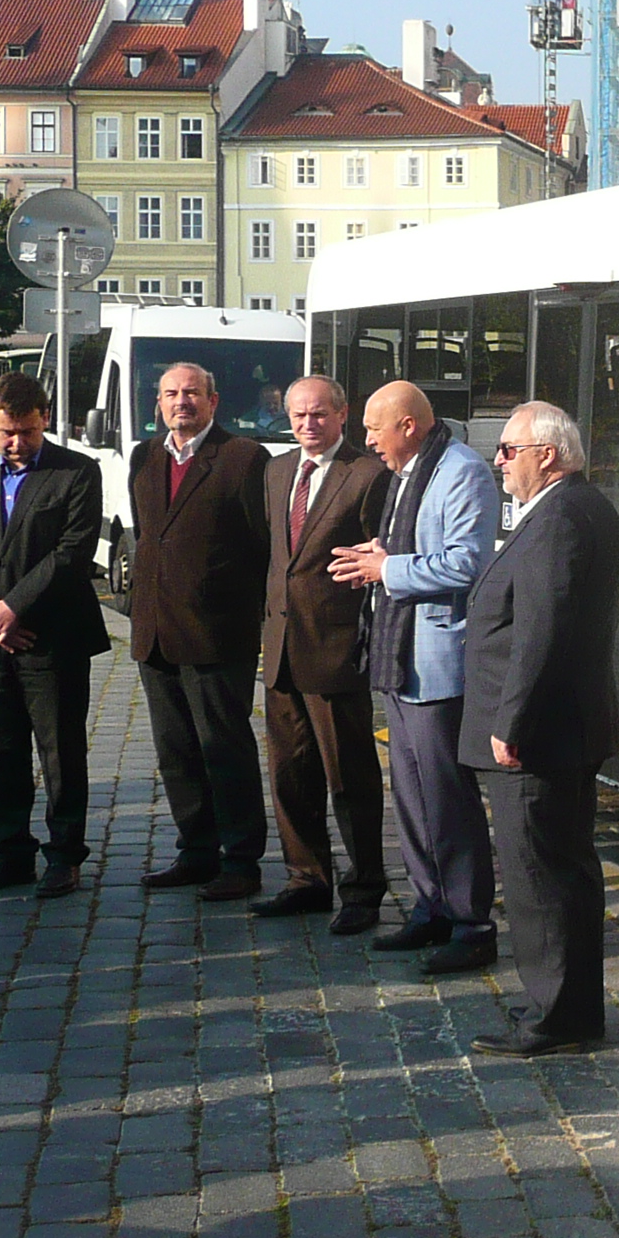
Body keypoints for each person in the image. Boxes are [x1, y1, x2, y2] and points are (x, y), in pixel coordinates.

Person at [459, 402, 619, 1057]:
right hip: (561, 729)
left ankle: (556, 1015)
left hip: (537, 737)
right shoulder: (582, 508)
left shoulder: (560, 518)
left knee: (539, 879)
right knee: (564, 870)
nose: (498, 461)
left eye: (507, 449)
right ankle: (569, 1006)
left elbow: (542, 629)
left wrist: (511, 722)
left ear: (547, 454)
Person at [328, 380, 500, 974]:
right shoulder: (406, 473)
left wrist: (388, 566)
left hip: (435, 664)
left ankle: (471, 922)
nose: (366, 439)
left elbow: (467, 562)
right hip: (398, 657)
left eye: (375, 427)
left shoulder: (461, 471)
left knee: (446, 798)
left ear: (408, 426)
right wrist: (379, 557)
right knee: (410, 794)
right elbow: (411, 549)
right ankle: (430, 906)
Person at [0, 371, 112, 898]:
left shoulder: (76, 472)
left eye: (28, 433)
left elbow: (73, 551)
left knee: (60, 750)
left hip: (53, 636)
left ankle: (65, 855)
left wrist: (16, 607)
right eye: (6, 433)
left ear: (45, 422)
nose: (16, 444)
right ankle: (9, 851)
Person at [127, 361, 273, 900]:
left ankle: (240, 860)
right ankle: (195, 851)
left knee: (224, 749)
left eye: (192, 393)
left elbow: (262, 546)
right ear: (158, 404)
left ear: (213, 401)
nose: (181, 402)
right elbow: (150, 539)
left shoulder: (242, 459)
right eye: (171, 394)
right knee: (177, 753)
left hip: (217, 635)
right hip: (155, 633)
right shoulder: (145, 458)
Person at [255, 376, 393, 930]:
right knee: (289, 772)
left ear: (342, 415)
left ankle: (363, 891)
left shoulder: (368, 476)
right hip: (281, 647)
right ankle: (306, 878)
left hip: (336, 649)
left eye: (318, 414)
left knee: (350, 778)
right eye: (297, 416)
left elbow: (381, 555)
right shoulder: (277, 470)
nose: (307, 425)